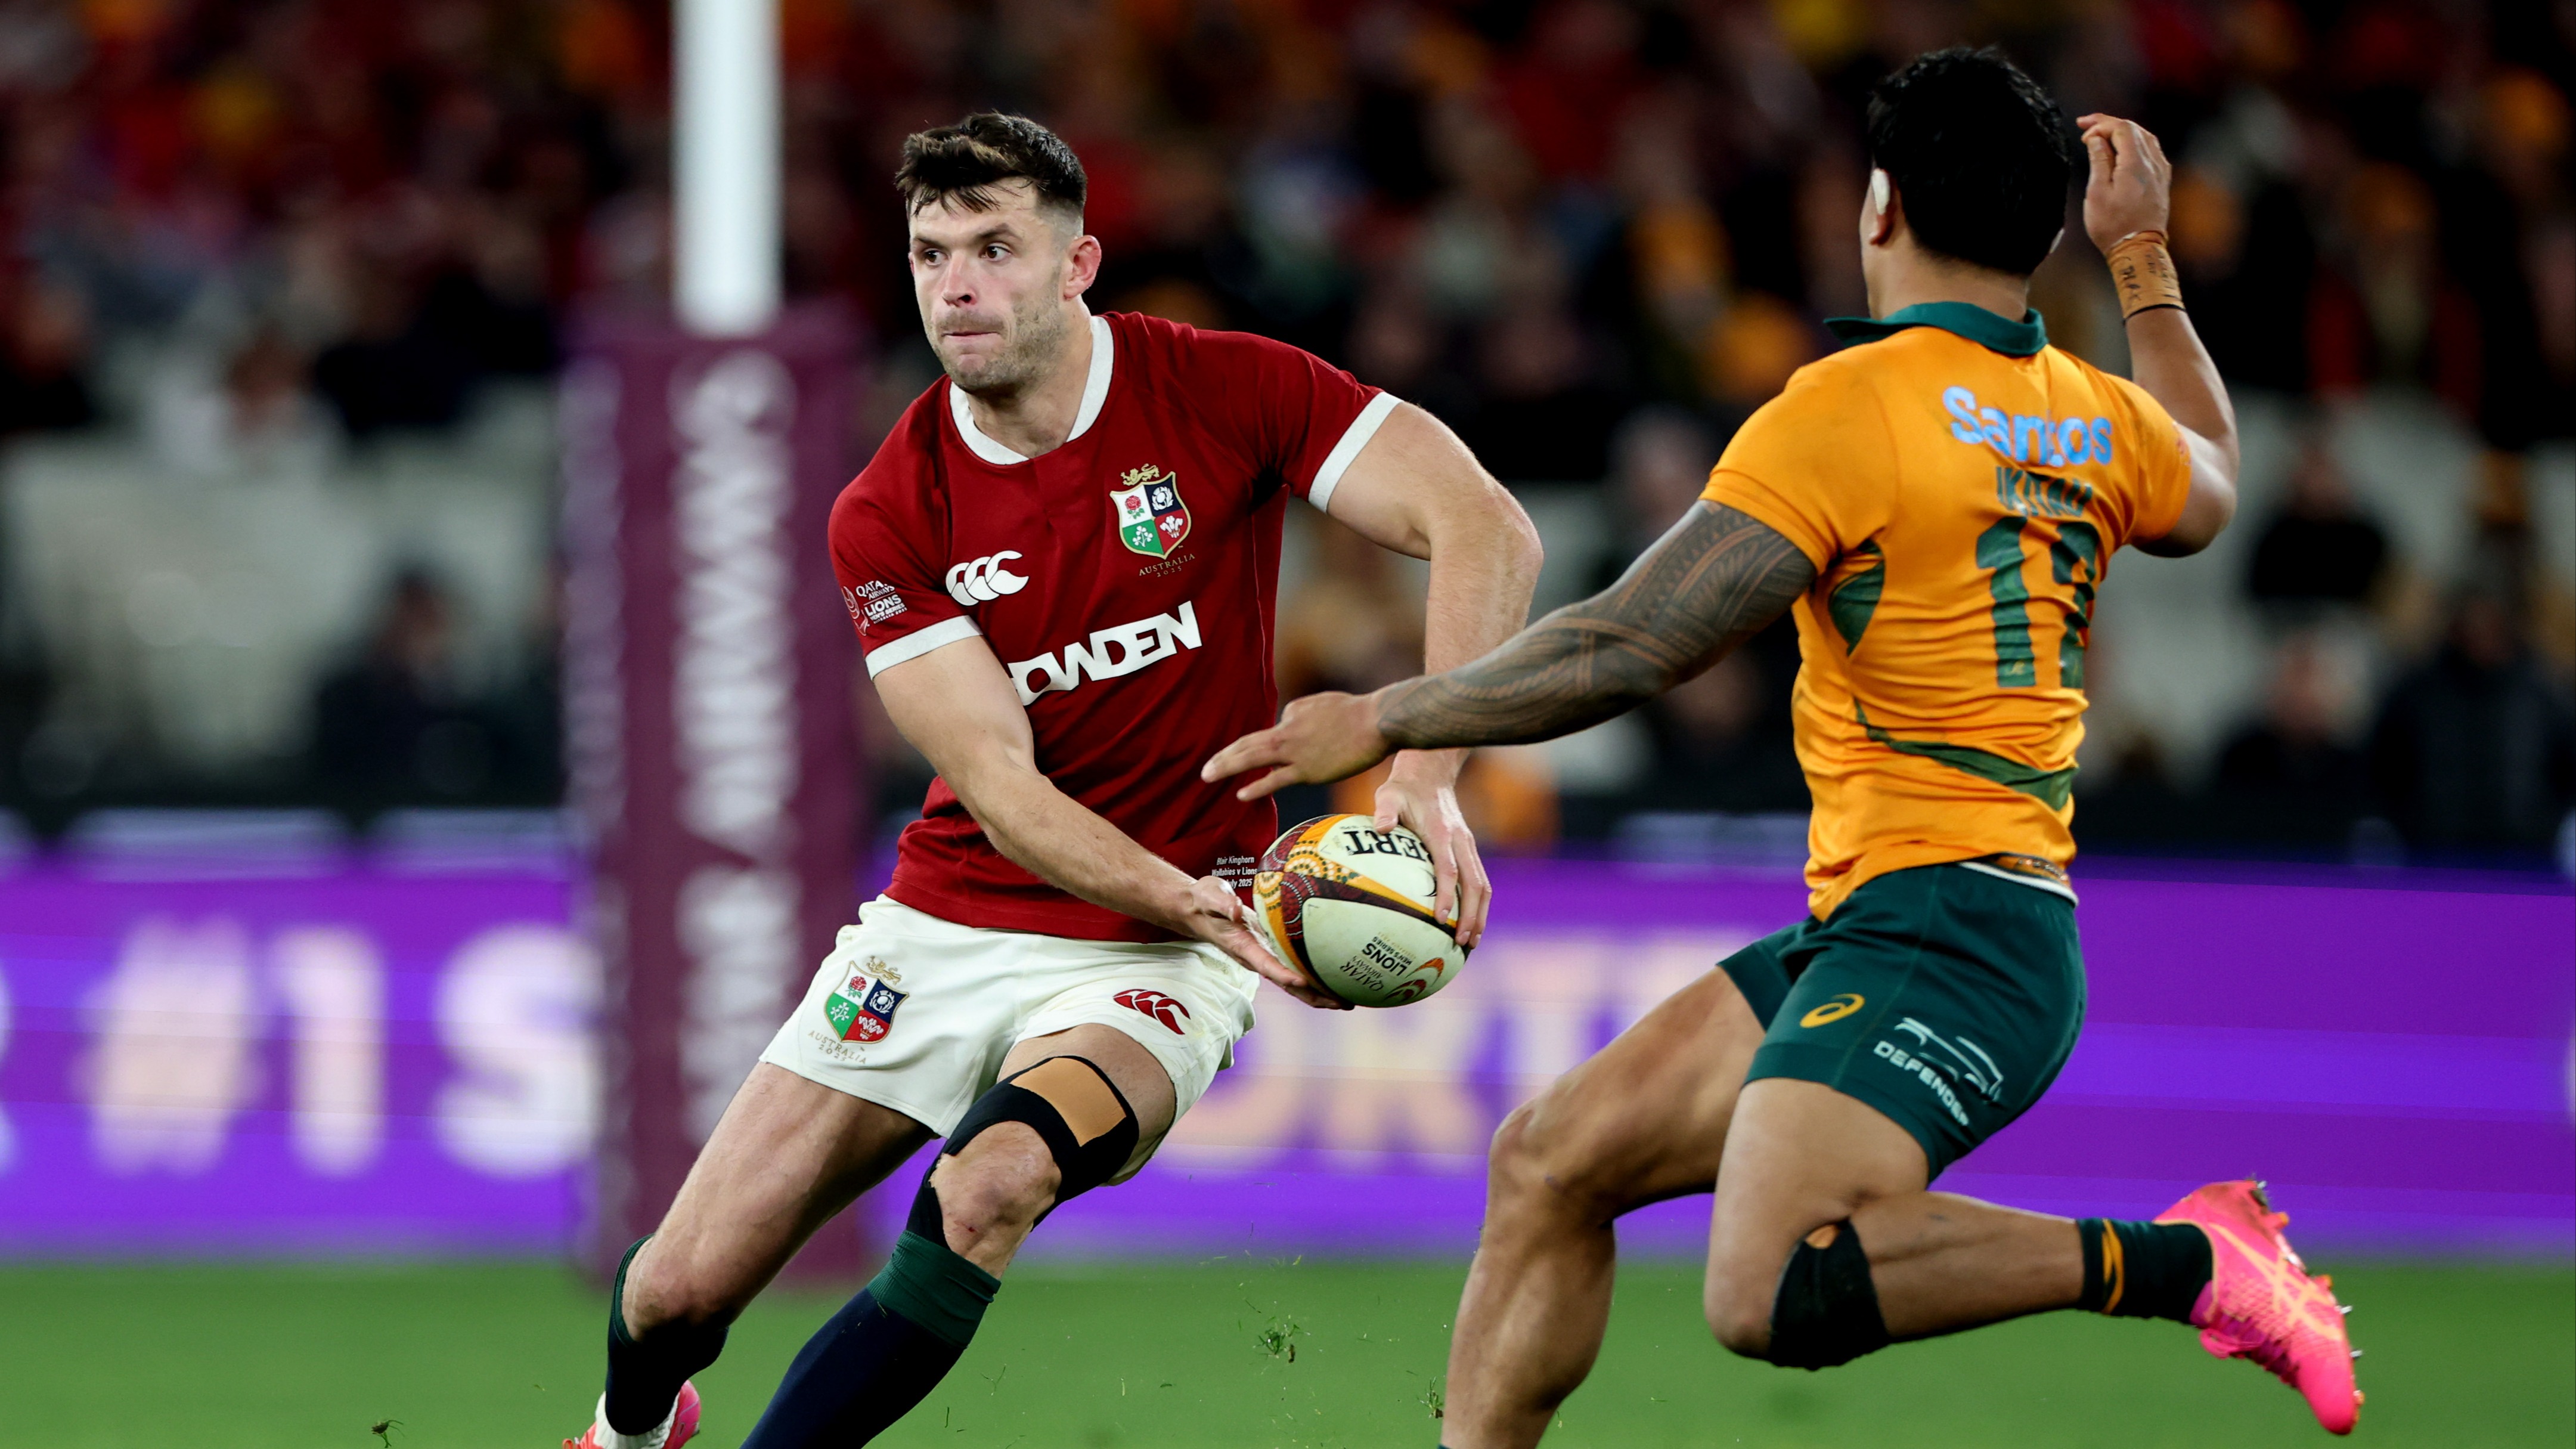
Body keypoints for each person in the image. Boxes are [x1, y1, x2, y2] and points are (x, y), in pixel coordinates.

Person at [1207, 48, 2363, 1444]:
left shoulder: (1848, 408)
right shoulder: (2089, 414)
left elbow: (1635, 641)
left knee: (1769, 1291)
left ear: (1877, 207)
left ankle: (2186, 1263)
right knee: (1551, 1161)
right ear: (2044, 230)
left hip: (1950, 928)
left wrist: (1385, 713)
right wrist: (2145, 262)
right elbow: (2217, 470)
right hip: (1907, 918)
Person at [564, 113, 1543, 1449]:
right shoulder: (889, 507)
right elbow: (1004, 792)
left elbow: (1483, 524)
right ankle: (627, 1431)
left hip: (1147, 958)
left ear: (1078, 262)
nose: (956, 285)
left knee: (994, 1180)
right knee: (678, 1288)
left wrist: (1426, 779)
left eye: (994, 249)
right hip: (954, 920)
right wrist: (1211, 906)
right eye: (929, 254)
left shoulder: (1224, 388)